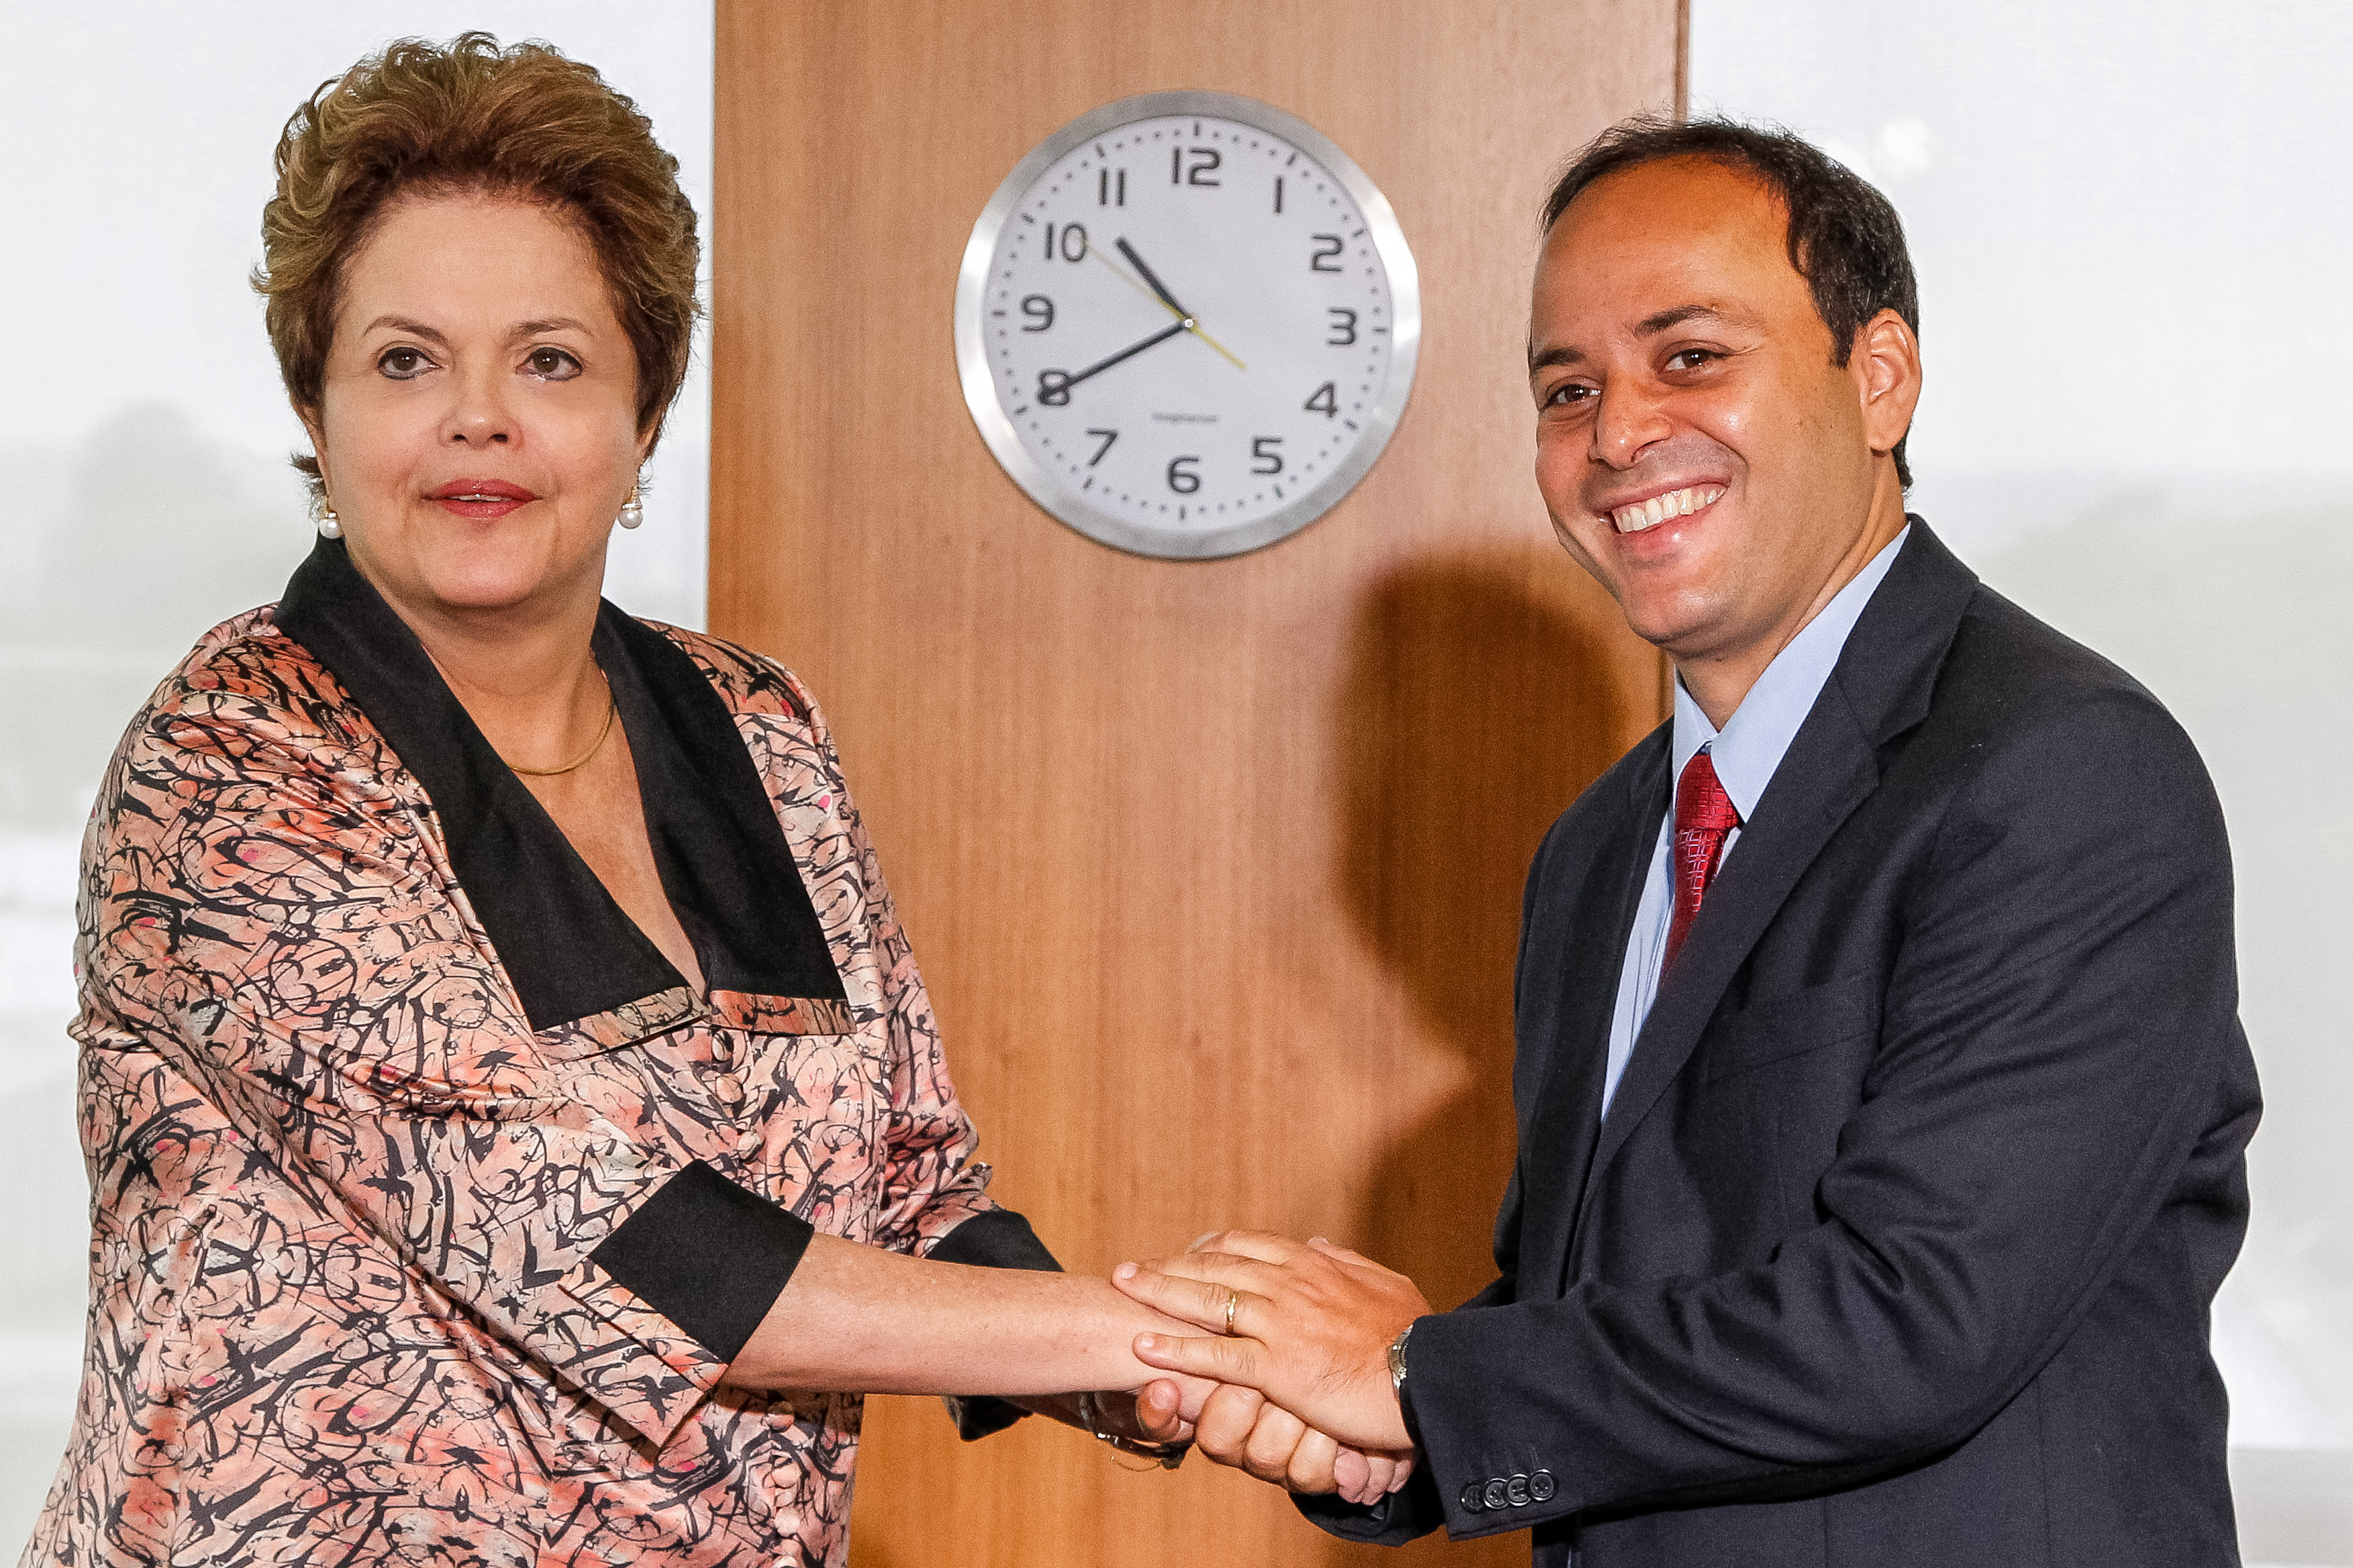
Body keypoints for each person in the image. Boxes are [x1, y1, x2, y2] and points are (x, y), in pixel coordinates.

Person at [26, 33, 1388, 1567]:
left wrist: (1130, 1384)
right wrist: (1164, 1336)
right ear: (319, 412)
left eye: (550, 359)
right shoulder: (232, 766)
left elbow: (913, 1182)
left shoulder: (760, 725)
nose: (478, 417)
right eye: (407, 359)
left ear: (645, 415)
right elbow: (613, 1245)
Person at [1115, 117, 2262, 1567]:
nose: (1615, 434)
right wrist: (1367, 1431)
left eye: (1690, 356)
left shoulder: (2062, 770)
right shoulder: (1599, 847)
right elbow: (1607, 1303)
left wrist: (1415, 1377)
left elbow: (1912, 1317)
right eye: (1565, 387)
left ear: (1881, 378)